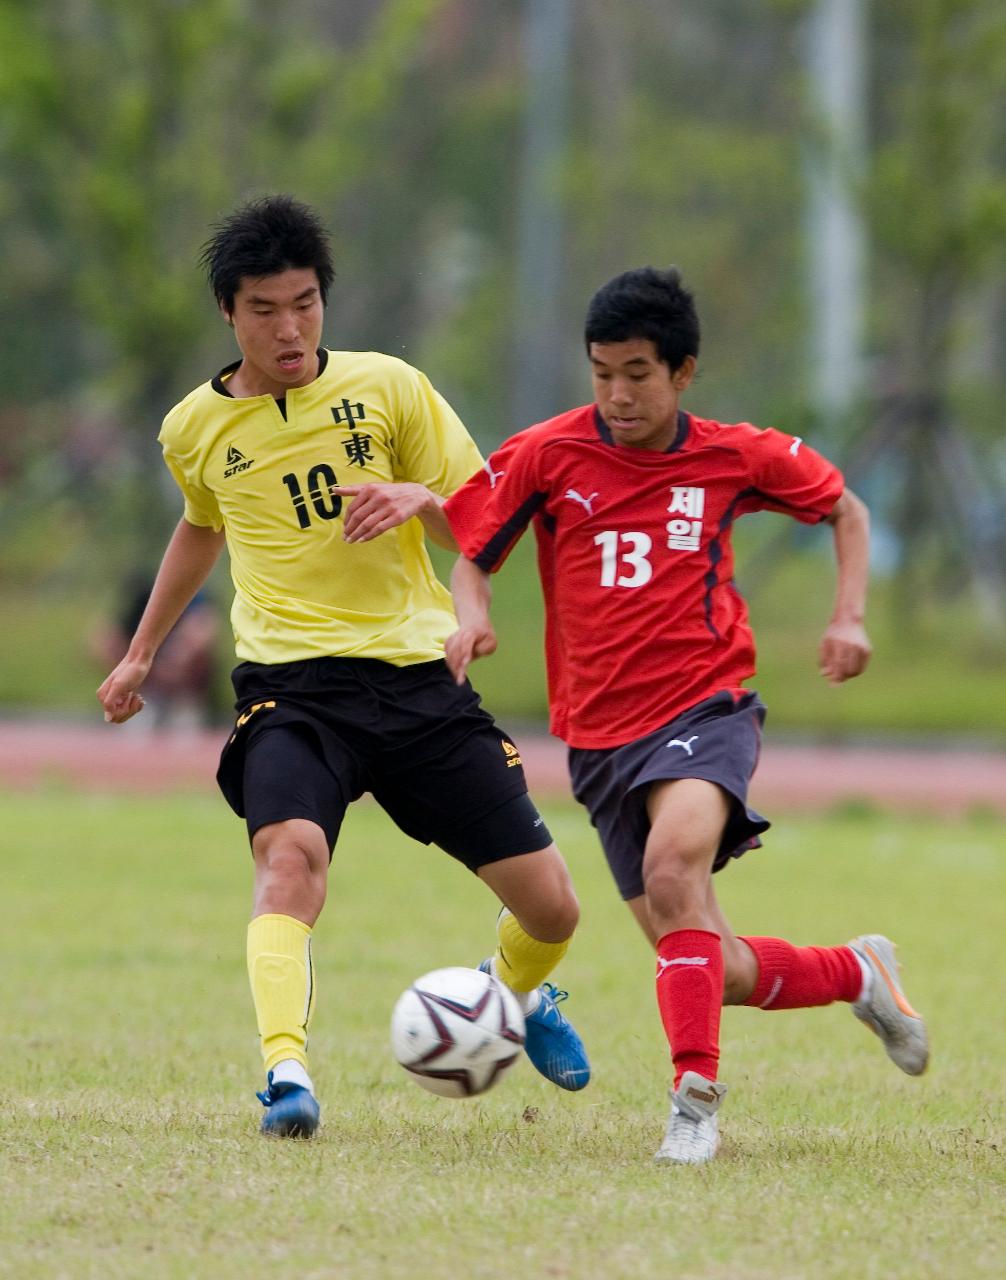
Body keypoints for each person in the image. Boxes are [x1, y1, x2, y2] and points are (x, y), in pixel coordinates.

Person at [97, 194, 589, 1139]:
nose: (290, 328)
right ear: (229, 314)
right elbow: (203, 526)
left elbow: (486, 521)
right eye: (267, 309)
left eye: (307, 303)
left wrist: (418, 497)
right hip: (291, 690)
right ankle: (286, 1076)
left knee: (554, 908)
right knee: (290, 861)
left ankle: (510, 995)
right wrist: (141, 652)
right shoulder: (191, 428)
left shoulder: (392, 389)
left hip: (415, 678)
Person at [442, 266, 929, 1166]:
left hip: (706, 708)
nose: (619, 395)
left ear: (684, 373)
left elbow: (846, 509)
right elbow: (472, 549)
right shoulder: (548, 455)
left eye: (638, 373)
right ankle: (859, 973)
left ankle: (693, 1103)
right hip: (596, 741)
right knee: (707, 955)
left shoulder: (734, 455)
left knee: (674, 872)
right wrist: (471, 613)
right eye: (602, 374)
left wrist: (849, 614)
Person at [91, 573, 220, 729]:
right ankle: (139, 698)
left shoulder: (196, 596)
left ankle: (184, 702)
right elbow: (107, 636)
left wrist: (176, 658)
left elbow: (204, 627)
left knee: (194, 639)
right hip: (149, 677)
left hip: (183, 681)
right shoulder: (142, 595)